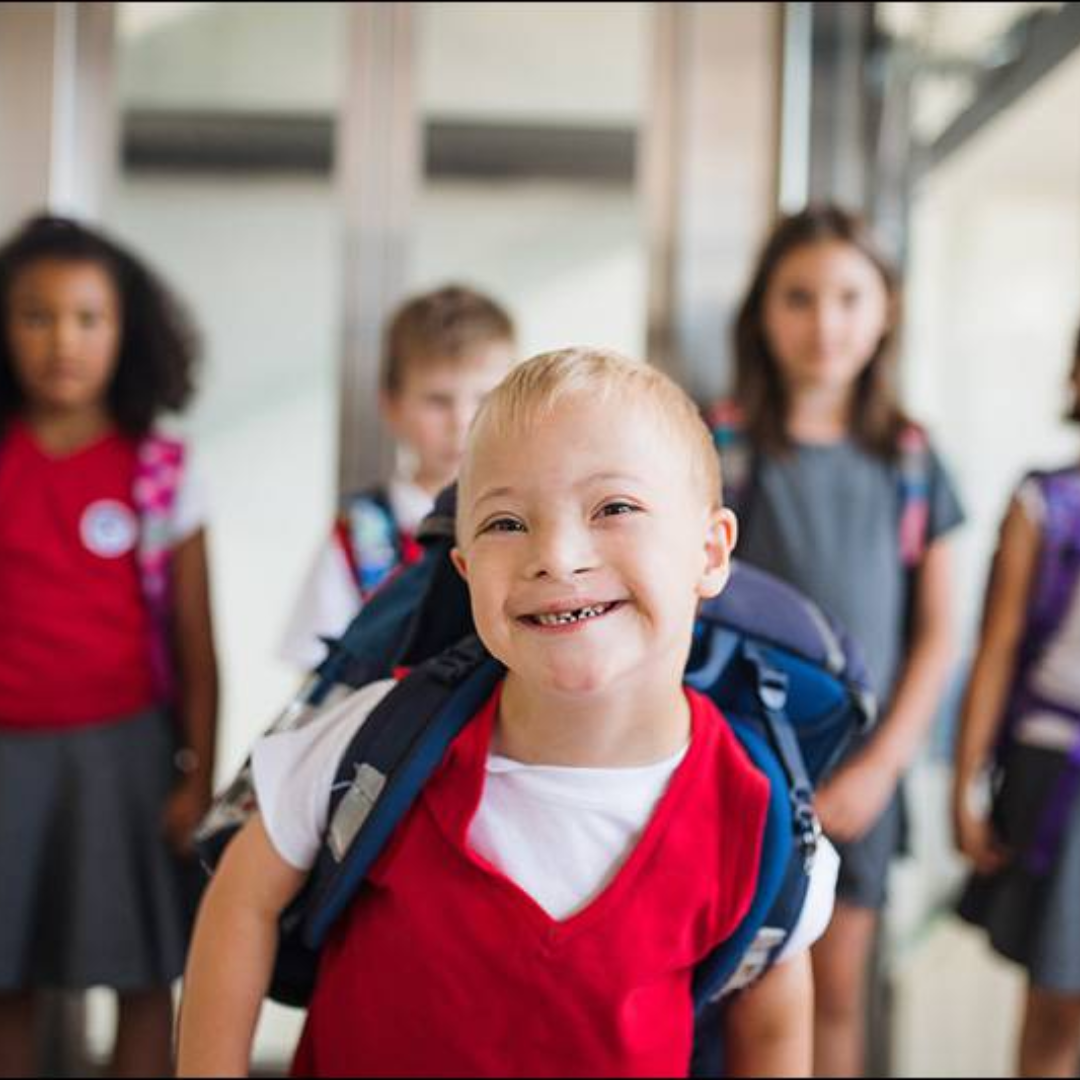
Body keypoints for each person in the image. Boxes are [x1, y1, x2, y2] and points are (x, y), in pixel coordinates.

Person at [178, 347, 837, 1078]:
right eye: (504, 523)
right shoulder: (380, 739)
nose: (555, 555)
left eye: (613, 508)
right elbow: (240, 902)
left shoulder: (758, 818)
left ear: (710, 553)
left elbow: (773, 1035)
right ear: (464, 570)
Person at [708, 205, 965, 1076]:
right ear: (763, 312)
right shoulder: (719, 446)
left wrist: (884, 766)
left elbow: (937, 634)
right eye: (800, 297)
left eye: (849, 297)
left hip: (861, 781)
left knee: (837, 997)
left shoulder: (913, 461)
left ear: (885, 308)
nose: (826, 322)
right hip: (733, 771)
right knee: (733, 1004)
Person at [0, 214, 219, 1078]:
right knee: (6, 973)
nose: (65, 341)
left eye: (89, 318)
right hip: (6, 755)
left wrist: (193, 774)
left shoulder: (159, 468)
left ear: (126, 332)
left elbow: (198, 642)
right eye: (36, 316)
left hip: (126, 752)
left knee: (140, 969)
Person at [953, 325, 1080, 1079]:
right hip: (1057, 767)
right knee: (1059, 1004)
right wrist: (969, 786)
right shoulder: (1046, 503)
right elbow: (995, 649)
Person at [278, 284, 516, 670]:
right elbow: (317, 678)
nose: (461, 421)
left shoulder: (534, 522)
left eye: (484, 399)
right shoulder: (358, 532)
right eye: (438, 400)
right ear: (391, 404)